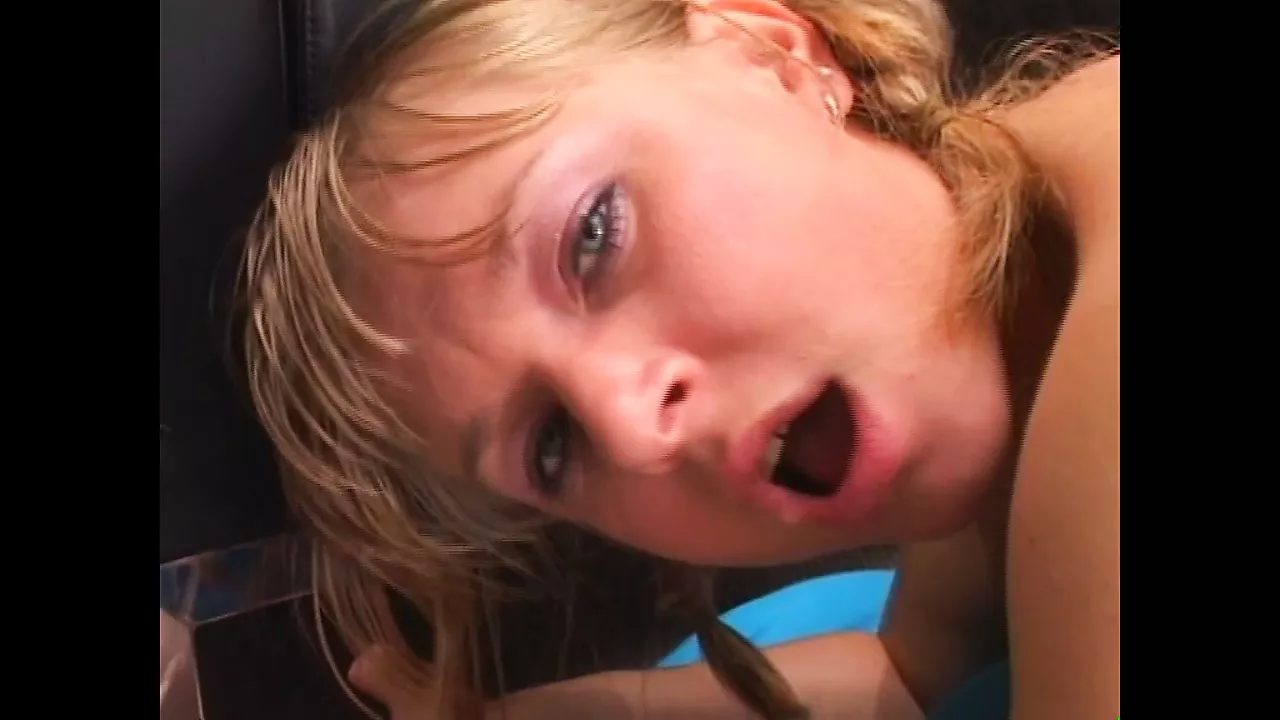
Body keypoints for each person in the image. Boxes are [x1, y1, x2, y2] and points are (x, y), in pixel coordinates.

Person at [239, 0, 1119, 717]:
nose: (629, 431)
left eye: (595, 234)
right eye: (553, 446)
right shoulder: (1013, 331)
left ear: (773, 55)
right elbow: (909, 675)